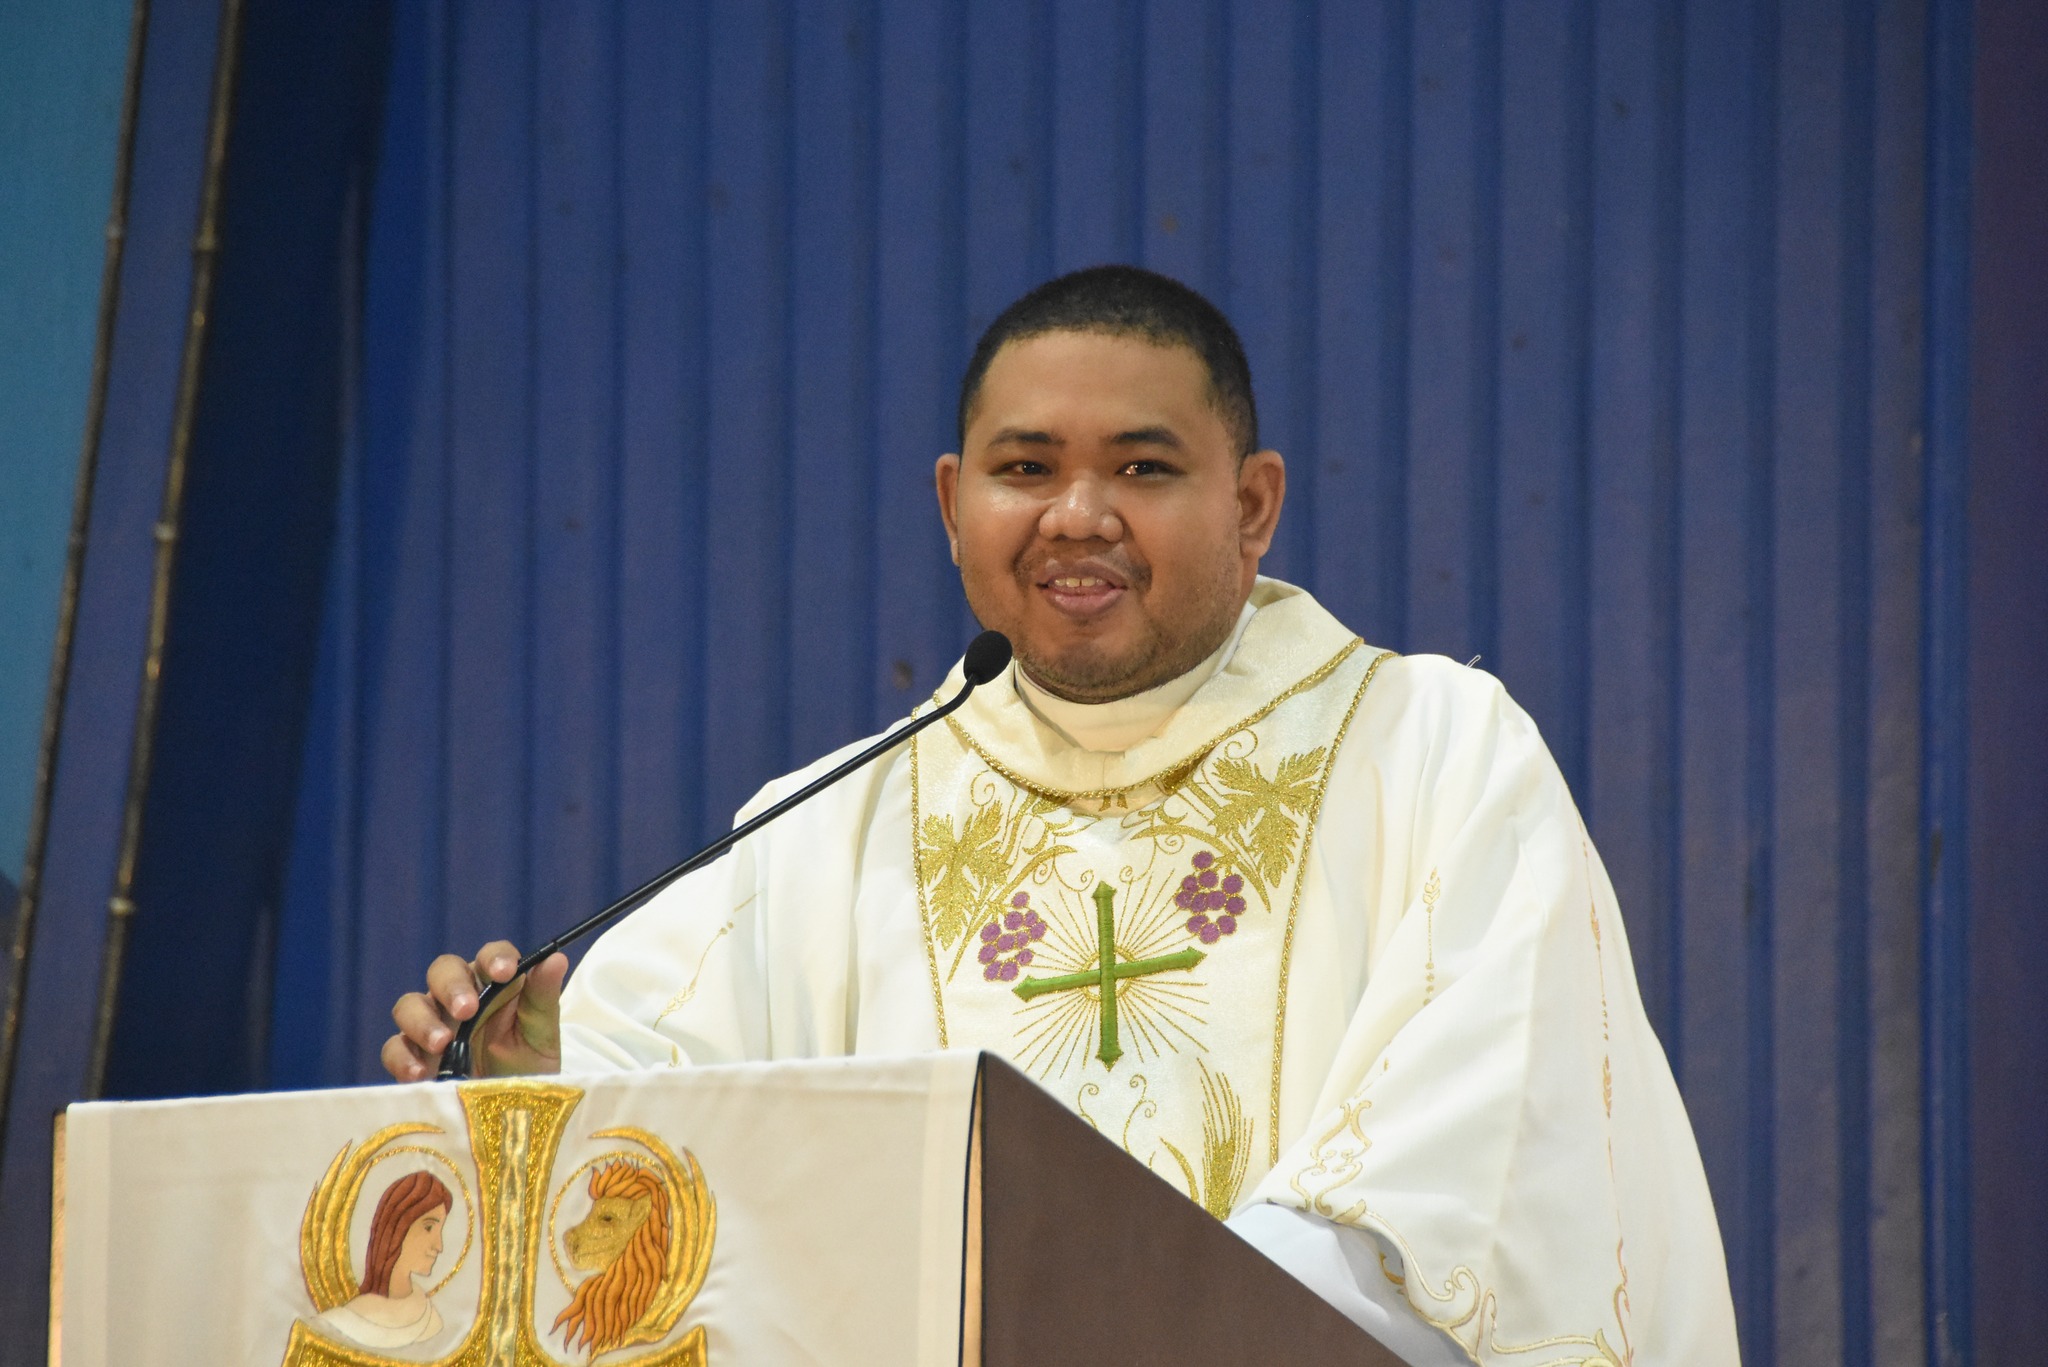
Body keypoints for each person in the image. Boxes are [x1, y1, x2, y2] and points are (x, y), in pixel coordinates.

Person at [384, 266, 1738, 1364]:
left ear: (1252, 504)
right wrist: (527, 1089)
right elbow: (681, 1169)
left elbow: (1482, 1146)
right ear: (952, 502)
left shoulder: (1429, 746)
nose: (1076, 516)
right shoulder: (821, 824)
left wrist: (1137, 1311)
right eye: (1024, 468)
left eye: (1144, 470)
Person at [315, 1170, 452, 1349]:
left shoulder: (431, 1322)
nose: (439, 1246)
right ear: (397, 1228)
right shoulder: (336, 1325)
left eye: (440, 1230)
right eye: (428, 1228)